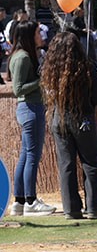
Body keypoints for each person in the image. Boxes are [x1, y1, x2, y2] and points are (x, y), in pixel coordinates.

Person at [39, 32, 97, 220]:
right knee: (90, 162)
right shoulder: (86, 69)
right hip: (82, 118)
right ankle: (94, 207)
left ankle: (71, 209)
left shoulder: (49, 70)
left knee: (66, 164)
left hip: (58, 117)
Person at [8, 14, 56, 215]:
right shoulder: (23, 57)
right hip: (30, 108)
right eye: (37, 32)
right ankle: (30, 200)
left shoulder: (26, 55)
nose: (40, 35)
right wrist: (42, 80)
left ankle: (20, 201)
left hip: (31, 108)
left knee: (26, 155)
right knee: (32, 157)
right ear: (29, 35)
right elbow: (18, 88)